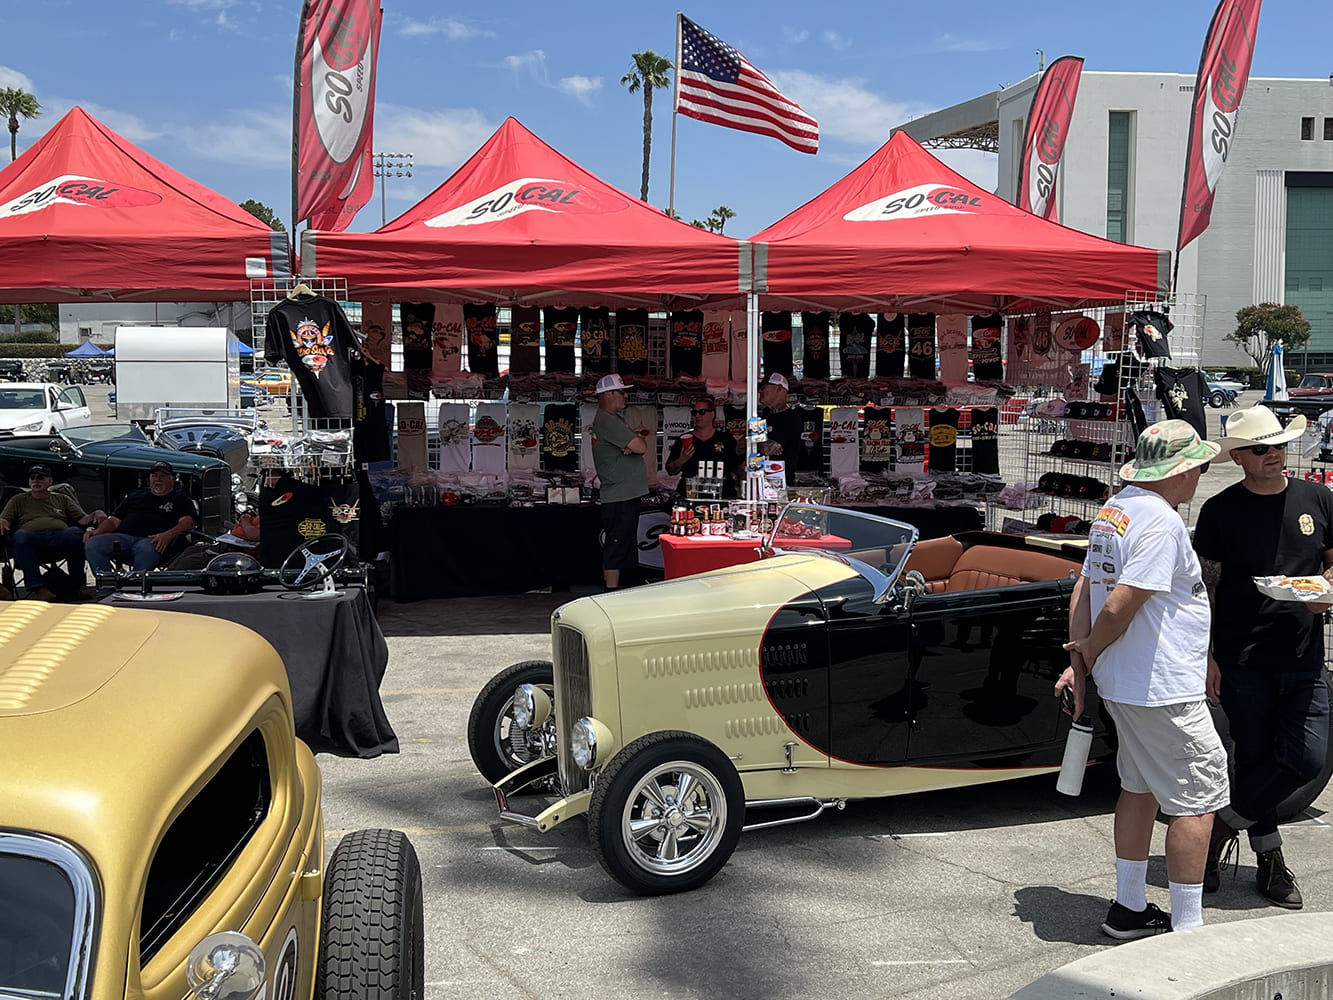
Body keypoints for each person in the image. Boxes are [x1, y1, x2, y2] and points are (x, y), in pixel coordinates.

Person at [1056, 419, 1229, 937]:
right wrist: (1088, 650)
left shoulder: (1115, 509)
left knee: (1139, 787)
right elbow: (1121, 602)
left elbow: (1085, 587)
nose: (1198, 475)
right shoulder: (1161, 520)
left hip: (1127, 681)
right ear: (1179, 471)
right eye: (1197, 467)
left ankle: (1129, 907)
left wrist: (1084, 660)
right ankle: (1189, 930)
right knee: (1197, 799)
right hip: (1161, 685)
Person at [1193, 405, 1333, 910]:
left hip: (1304, 654)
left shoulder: (1318, 498)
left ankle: (1222, 826)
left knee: (1308, 758)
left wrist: (1327, 590)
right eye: (1260, 448)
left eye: (1278, 444)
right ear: (1238, 457)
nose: (1273, 454)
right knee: (1253, 757)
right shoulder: (1220, 510)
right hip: (1242, 656)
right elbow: (1204, 588)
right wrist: (1206, 655)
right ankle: (1270, 860)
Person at [0, 463, 106, 600]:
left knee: (74, 533)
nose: (36, 480)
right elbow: (5, 519)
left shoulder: (61, 498)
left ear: (50, 481)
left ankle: (77, 586)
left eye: (40, 477)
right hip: (32, 539)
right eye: (32, 477)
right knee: (20, 535)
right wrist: (3, 522)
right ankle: (38, 588)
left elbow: (82, 519)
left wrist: (97, 512)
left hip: (59, 537)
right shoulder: (18, 500)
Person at [85, 460, 198, 583]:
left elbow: (188, 522)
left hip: (154, 541)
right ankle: (107, 587)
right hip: (124, 539)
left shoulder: (181, 499)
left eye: (163, 476)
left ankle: (135, 587)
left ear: (172, 480)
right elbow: (114, 521)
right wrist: (98, 531)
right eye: (154, 475)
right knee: (93, 543)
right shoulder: (135, 496)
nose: (158, 479)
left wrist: (168, 534)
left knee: (146, 548)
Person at [590, 374, 647, 590]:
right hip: (620, 495)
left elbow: (636, 445)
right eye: (621, 392)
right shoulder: (608, 420)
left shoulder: (609, 420)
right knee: (616, 545)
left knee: (622, 544)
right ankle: (611, 592)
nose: (626, 396)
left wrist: (633, 443)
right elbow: (641, 446)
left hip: (622, 494)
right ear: (608, 394)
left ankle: (619, 589)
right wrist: (635, 442)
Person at [664, 397, 740, 498]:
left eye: (702, 412)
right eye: (694, 413)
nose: (697, 416)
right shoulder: (685, 439)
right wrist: (681, 460)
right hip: (691, 494)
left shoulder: (726, 439)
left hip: (721, 495)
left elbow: (738, 467)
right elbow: (670, 471)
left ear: (712, 414)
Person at [759, 373, 802, 485]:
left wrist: (755, 440)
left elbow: (767, 450)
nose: (760, 391)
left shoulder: (791, 418)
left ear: (778, 388)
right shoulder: (764, 414)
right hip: (759, 479)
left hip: (780, 483)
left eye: (763, 388)